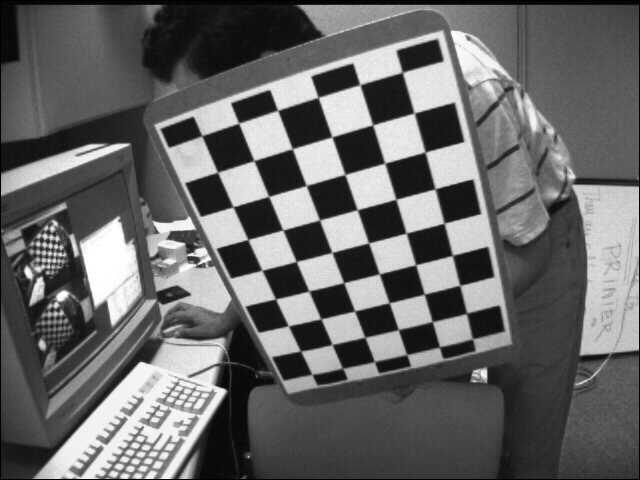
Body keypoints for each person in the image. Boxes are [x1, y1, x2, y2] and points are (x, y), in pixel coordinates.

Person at [142, 6, 587, 478]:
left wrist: (420, 348)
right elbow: (281, 237)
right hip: (434, 243)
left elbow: (528, 247)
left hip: (532, 235)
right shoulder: (287, 118)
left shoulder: (456, 81)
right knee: (445, 426)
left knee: (525, 439)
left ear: (266, 65)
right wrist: (232, 316)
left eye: (206, 105)